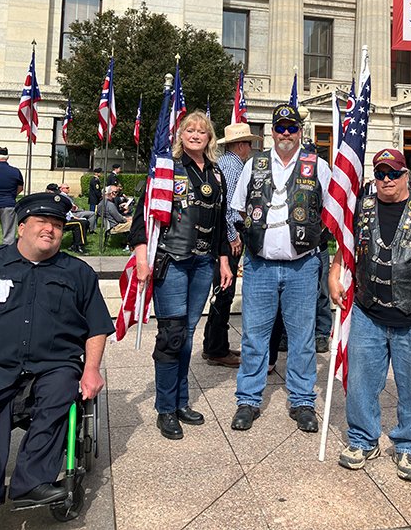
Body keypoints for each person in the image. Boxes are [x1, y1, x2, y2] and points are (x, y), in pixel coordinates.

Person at [0, 192, 113, 507]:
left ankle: (31, 483)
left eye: (57, 224)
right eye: (42, 221)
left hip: (54, 365)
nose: (50, 229)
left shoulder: (77, 272)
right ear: (23, 225)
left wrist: (92, 370)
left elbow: (97, 326)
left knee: (60, 394)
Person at [329, 149, 411, 480]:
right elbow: (348, 247)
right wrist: (335, 271)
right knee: (361, 383)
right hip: (368, 311)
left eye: (393, 173)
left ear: (406, 175)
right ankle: (363, 440)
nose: (386, 180)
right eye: (380, 174)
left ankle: (408, 445)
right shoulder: (362, 208)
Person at [228, 104, 331, 433]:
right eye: (280, 127)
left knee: (302, 339)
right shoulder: (253, 165)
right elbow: (238, 210)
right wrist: (261, 239)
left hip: (302, 267)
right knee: (254, 337)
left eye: (292, 127)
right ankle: (248, 400)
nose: (286, 133)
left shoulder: (319, 166)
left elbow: (331, 215)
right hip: (260, 267)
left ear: (300, 130)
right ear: (271, 131)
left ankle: (302, 401)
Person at [130, 112, 233, 440]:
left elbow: (219, 226)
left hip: (203, 264)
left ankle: (181, 401)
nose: (195, 135)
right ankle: (165, 408)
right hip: (172, 260)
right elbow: (141, 218)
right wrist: (142, 259)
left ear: (209, 137)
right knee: (171, 336)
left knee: (187, 335)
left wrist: (225, 262)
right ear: (180, 134)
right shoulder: (166, 167)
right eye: (190, 129)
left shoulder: (217, 172)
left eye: (202, 131)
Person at [202, 122, 261, 368]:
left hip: (229, 232)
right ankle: (216, 347)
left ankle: (215, 344)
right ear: (240, 145)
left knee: (222, 290)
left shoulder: (229, 164)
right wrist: (232, 235)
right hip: (229, 233)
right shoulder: (232, 167)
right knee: (224, 290)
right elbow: (226, 205)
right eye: (248, 144)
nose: (250, 148)